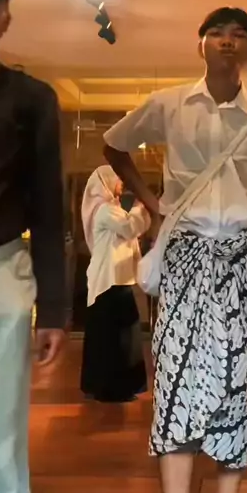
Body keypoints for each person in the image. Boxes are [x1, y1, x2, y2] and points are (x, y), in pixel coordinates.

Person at [103, 7, 247, 493]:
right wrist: (154, 205)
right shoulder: (169, 104)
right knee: (174, 385)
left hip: (242, 257)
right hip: (185, 253)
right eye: (217, 33)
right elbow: (115, 144)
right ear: (201, 44)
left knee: (238, 384)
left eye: (239, 35)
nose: (227, 41)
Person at [0, 0, 66, 493]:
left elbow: (47, 207)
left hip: (0, 275)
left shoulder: (32, 100)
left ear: (8, 14)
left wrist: (54, 310)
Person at [80, 164, 150, 402]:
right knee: (116, 337)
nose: (121, 183)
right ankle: (112, 389)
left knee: (113, 336)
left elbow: (133, 228)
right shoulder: (104, 210)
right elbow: (130, 228)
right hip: (109, 281)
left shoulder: (112, 208)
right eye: (117, 178)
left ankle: (108, 386)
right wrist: (141, 206)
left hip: (115, 280)